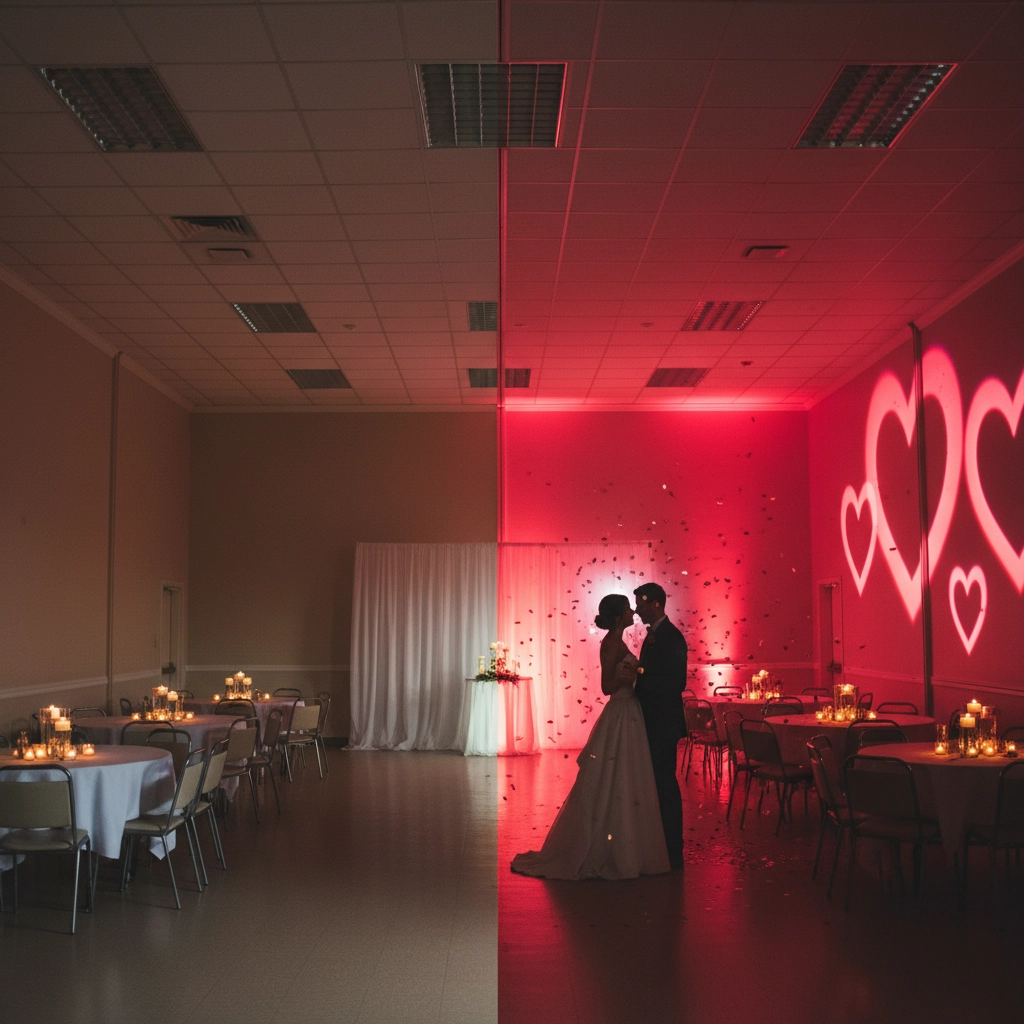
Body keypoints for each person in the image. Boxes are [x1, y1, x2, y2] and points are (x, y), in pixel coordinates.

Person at [510, 593, 670, 880]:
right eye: (628, 608)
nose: (633, 611)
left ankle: (624, 843)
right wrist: (625, 678)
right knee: (617, 776)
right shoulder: (611, 644)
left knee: (624, 776)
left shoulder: (617, 642)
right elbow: (607, 687)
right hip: (621, 711)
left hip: (628, 712)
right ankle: (616, 848)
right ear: (620, 614)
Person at [633, 582, 688, 869]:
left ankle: (672, 847)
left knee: (665, 783)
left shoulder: (672, 636)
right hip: (653, 721)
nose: (637, 610)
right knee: (657, 783)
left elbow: (677, 682)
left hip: (663, 722)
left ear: (655, 604)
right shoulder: (654, 635)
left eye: (641, 604)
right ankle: (662, 844)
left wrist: (640, 683)